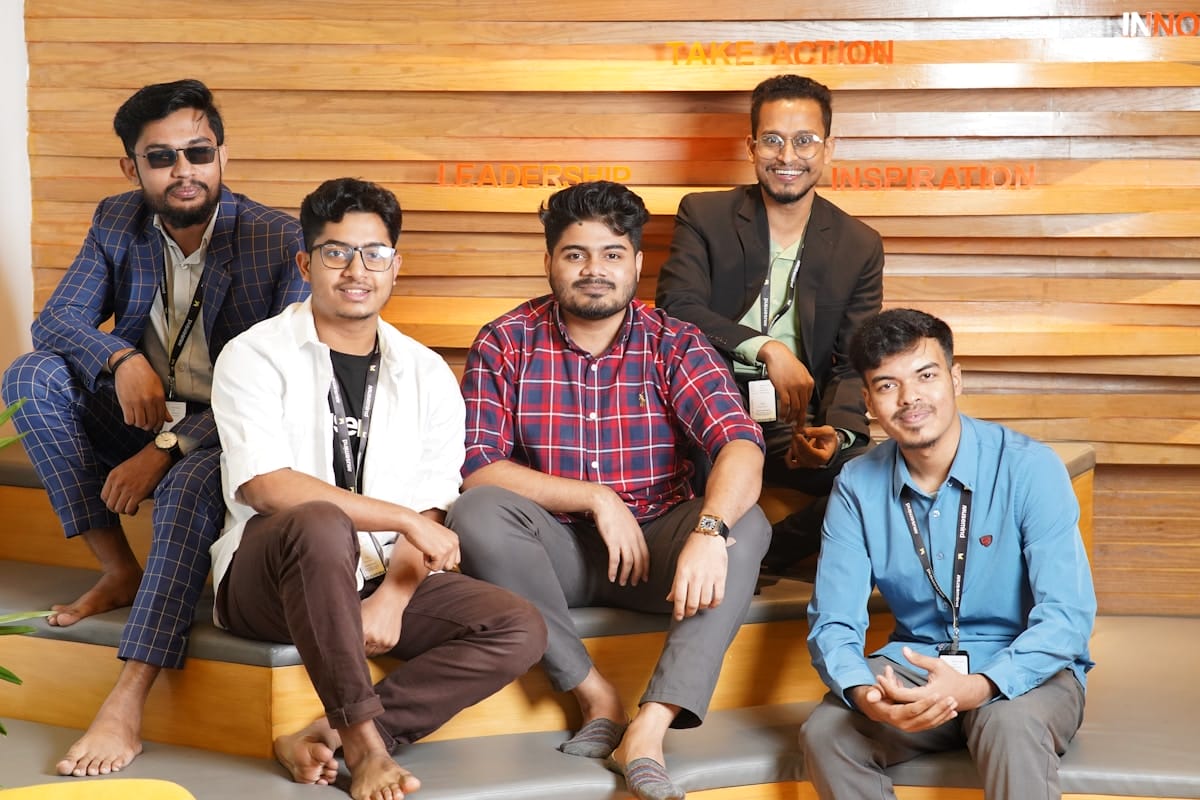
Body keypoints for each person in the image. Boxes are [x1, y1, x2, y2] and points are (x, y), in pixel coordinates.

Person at [0, 78, 309, 776]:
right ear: (131, 167)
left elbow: (274, 390)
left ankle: (128, 697)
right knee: (28, 377)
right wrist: (122, 358)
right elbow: (57, 320)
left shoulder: (277, 239)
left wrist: (169, 447)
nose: (183, 170)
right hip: (140, 409)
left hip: (227, 429)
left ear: (223, 155)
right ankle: (117, 570)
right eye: (161, 157)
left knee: (186, 484)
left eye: (198, 152)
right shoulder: (117, 219)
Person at [209, 177, 546, 800]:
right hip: (270, 580)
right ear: (306, 264)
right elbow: (265, 485)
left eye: (374, 253)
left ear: (396, 264)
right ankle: (365, 748)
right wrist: (404, 520)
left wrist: (394, 594)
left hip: (378, 572)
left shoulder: (427, 373)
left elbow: (432, 504)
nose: (356, 270)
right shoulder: (254, 355)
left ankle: (323, 736)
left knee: (517, 625)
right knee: (319, 520)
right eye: (336, 252)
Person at [446, 181, 771, 800]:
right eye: (576, 254)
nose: (594, 269)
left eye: (612, 254)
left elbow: (740, 443)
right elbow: (479, 466)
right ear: (549, 261)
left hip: (658, 557)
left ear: (637, 263)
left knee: (746, 524)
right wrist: (596, 497)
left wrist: (708, 531)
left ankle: (649, 728)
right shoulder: (505, 339)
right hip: (552, 557)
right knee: (477, 511)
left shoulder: (675, 341)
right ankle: (594, 694)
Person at [800, 308, 1096, 800]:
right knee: (827, 733)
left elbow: (1067, 616)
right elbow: (833, 620)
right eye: (888, 385)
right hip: (915, 664)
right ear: (868, 401)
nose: (910, 398)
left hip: (1023, 666)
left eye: (926, 376)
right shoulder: (856, 484)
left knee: (1008, 725)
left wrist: (982, 685)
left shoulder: (1030, 468)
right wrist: (863, 694)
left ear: (955, 379)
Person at [656, 74, 884, 574]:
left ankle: (766, 554)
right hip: (704, 408)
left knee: (884, 480)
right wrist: (767, 348)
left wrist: (836, 435)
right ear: (751, 146)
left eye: (804, 140)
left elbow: (854, 362)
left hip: (791, 420)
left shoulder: (859, 244)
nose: (788, 156)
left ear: (827, 149)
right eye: (772, 140)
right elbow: (676, 306)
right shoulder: (705, 214)